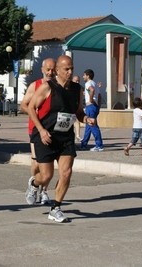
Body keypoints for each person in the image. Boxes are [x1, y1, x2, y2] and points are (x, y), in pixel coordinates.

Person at [25, 55, 95, 222]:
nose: (70, 72)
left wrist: (85, 119)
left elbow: (78, 112)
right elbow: (31, 108)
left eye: (72, 68)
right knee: (46, 176)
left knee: (66, 172)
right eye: (66, 69)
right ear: (58, 70)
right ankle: (34, 184)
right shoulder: (47, 87)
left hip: (65, 137)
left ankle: (55, 208)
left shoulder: (77, 89)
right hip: (46, 136)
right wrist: (41, 130)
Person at [20, 58, 56, 205]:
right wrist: (33, 112)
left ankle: (44, 191)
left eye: (53, 70)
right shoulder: (35, 85)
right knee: (36, 163)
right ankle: (33, 186)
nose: (50, 72)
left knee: (48, 163)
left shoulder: (58, 86)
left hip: (52, 129)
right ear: (42, 69)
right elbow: (23, 105)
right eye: (48, 69)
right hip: (35, 129)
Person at [80, 69, 104, 151]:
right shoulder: (95, 84)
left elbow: (92, 90)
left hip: (90, 106)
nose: (83, 77)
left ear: (88, 76)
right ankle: (83, 144)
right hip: (94, 106)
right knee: (88, 125)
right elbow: (100, 97)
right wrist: (98, 106)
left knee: (93, 125)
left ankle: (99, 145)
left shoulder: (88, 83)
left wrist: (90, 99)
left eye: (84, 75)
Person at [72, 75, 84, 142]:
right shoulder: (69, 87)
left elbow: (85, 93)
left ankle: (78, 135)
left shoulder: (80, 88)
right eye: (76, 80)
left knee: (76, 121)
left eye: (78, 81)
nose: (77, 82)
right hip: (69, 108)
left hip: (76, 107)